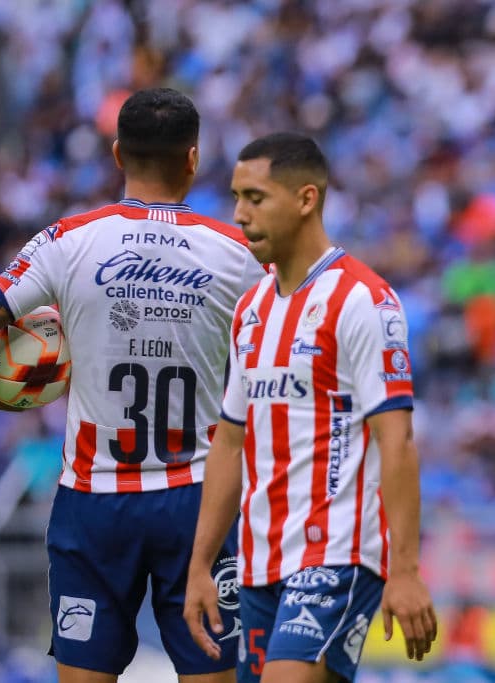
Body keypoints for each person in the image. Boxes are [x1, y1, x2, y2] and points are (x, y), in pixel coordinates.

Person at [0, 87, 266, 683]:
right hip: (198, 498)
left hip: (94, 499)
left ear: (117, 154)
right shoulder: (240, 255)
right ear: (193, 158)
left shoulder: (67, 240)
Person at [182, 132, 437, 683]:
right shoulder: (250, 310)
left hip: (337, 553)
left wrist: (406, 570)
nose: (239, 214)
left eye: (255, 198)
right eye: (235, 197)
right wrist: (202, 563)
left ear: (306, 199)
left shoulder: (363, 300)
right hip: (258, 561)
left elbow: (398, 441)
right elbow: (230, 440)